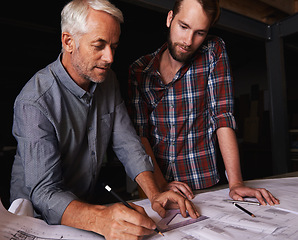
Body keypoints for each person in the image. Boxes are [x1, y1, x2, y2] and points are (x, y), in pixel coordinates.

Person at [10, 0, 199, 239]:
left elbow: (127, 143)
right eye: (99, 45)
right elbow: (45, 192)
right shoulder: (34, 101)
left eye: (114, 46)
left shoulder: (107, 81)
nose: (109, 58)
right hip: (34, 220)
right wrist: (101, 218)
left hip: (82, 209)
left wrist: (155, 193)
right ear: (69, 42)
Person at [128, 0, 280, 206]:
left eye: (200, 32)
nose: (188, 41)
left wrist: (235, 183)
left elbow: (223, 117)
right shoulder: (139, 70)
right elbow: (141, 135)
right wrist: (160, 184)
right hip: (154, 184)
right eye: (184, 27)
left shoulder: (213, 51)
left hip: (201, 184)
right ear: (169, 18)